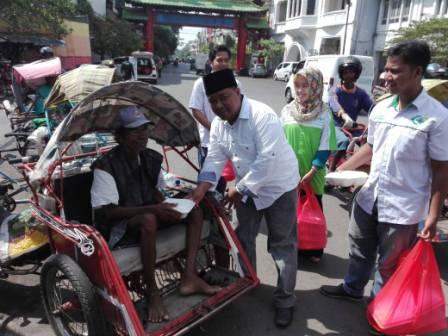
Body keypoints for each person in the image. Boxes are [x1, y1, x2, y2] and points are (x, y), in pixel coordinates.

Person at [320, 41, 448, 334]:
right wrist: (341, 169)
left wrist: (432, 216)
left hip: (404, 207)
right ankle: (352, 288)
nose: (385, 77)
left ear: (417, 72)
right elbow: (371, 147)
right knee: (359, 250)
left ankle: (382, 308)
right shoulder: (381, 109)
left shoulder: (437, 117)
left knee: (389, 265)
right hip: (369, 197)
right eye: (385, 69)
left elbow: (442, 171)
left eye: (394, 71)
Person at [190, 69, 300, 328]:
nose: (218, 105)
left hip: (279, 187)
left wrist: (239, 189)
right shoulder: (218, 124)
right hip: (248, 190)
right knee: (243, 239)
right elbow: (215, 158)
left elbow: (267, 159)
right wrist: (200, 188)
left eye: (223, 97)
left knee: (281, 245)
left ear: (238, 92)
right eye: (213, 101)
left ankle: (285, 300)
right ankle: (247, 284)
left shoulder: (262, 115)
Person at [90, 106, 220, 323]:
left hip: (148, 211)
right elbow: (108, 212)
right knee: (149, 219)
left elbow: (154, 191)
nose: (142, 136)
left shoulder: (149, 157)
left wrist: (171, 206)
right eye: (134, 131)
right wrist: (154, 209)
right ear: (120, 136)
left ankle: (190, 276)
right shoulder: (105, 166)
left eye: (144, 129)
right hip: (120, 225)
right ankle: (153, 292)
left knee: (194, 209)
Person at [281, 67, 337, 263]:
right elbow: (280, 140)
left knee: (313, 209)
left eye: (305, 86)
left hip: (314, 172)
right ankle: (293, 246)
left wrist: (314, 170)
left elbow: (326, 145)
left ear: (315, 87)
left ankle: (313, 249)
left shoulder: (324, 113)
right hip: (288, 172)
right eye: (297, 85)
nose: (300, 90)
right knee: (290, 210)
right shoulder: (287, 110)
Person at [328, 56, 373, 172]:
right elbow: (333, 103)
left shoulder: (361, 93)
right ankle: (332, 174)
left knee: (370, 142)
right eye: (346, 72)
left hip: (352, 127)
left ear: (356, 74)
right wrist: (343, 115)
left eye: (351, 72)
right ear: (341, 74)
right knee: (343, 142)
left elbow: (372, 108)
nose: (348, 75)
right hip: (335, 126)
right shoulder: (335, 90)